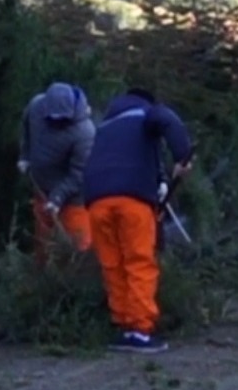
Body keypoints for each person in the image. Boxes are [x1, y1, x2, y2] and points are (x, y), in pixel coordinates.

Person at [83, 88, 194, 354]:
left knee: (113, 264)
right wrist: (183, 156)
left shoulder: (105, 126)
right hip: (132, 200)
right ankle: (141, 330)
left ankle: (123, 324)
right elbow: (169, 121)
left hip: (96, 201)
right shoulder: (145, 112)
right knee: (139, 261)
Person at [18, 82, 95, 264]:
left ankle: (78, 284)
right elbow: (25, 128)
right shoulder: (36, 106)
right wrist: (25, 155)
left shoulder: (85, 132)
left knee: (79, 247)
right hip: (42, 191)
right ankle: (42, 280)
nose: (56, 122)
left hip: (74, 200)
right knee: (44, 244)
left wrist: (58, 198)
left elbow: (79, 173)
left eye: (62, 119)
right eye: (52, 119)